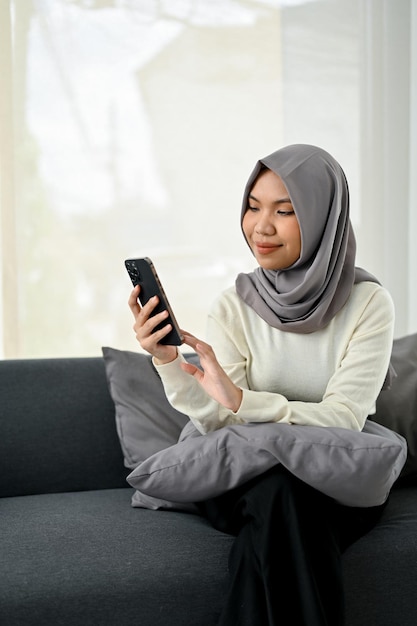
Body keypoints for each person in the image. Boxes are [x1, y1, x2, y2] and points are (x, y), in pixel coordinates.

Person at [128, 144, 395, 626]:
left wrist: (246, 402)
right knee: (281, 496)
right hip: (243, 479)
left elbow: (346, 420)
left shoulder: (368, 304)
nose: (261, 226)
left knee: (282, 513)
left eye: (285, 210)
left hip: (330, 478)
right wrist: (168, 360)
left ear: (323, 217)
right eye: (253, 206)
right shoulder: (234, 304)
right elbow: (218, 422)